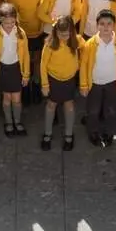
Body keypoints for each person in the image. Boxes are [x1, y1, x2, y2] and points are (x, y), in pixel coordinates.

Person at [79, 9, 116, 147]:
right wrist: (83, 85)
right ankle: (93, 132)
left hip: (113, 83)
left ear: (114, 26)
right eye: (102, 24)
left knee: (111, 110)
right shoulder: (90, 44)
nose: (105, 27)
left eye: (109, 24)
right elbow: (83, 65)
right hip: (94, 84)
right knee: (93, 110)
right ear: (97, 26)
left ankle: (108, 132)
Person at [0, 3, 30, 137]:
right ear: (0, 21)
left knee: (16, 98)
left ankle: (17, 121)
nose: (10, 25)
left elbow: (26, 55)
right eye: (6, 23)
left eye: (12, 22)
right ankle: (8, 122)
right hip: (3, 69)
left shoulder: (21, 33)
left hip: (16, 68)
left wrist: (26, 74)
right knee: (6, 97)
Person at [41, 15, 82, 151]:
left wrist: (79, 65)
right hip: (53, 79)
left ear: (71, 32)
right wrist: (45, 85)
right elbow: (43, 64)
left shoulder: (76, 41)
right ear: (55, 31)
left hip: (69, 79)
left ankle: (69, 134)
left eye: (66, 34)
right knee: (51, 105)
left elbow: (88, 49)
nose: (63, 37)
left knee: (69, 105)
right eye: (60, 34)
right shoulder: (50, 45)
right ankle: (47, 133)